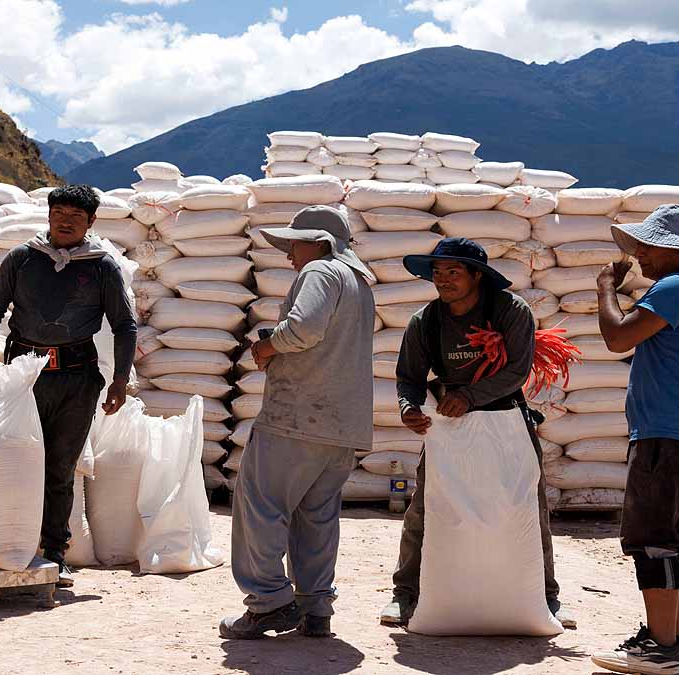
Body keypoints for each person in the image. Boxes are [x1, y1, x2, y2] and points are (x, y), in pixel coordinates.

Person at [378, 237, 573, 628]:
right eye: (437, 272)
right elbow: (409, 378)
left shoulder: (509, 311)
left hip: (506, 418)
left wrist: (470, 395)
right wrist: (408, 408)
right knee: (425, 504)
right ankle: (406, 592)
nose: (442, 280)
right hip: (450, 423)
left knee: (527, 505)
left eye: (453, 272)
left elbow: (517, 370)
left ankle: (546, 596)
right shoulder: (426, 321)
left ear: (477, 276)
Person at [220, 205, 376, 640]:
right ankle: (315, 608)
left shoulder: (321, 273)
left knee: (262, 508)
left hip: (297, 416)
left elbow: (304, 329)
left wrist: (269, 347)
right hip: (342, 424)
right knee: (317, 516)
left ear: (320, 243)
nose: (289, 252)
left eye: (295, 242)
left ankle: (268, 603)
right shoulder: (359, 283)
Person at [590, 204, 679, 675]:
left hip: (667, 437)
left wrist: (606, 290)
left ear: (672, 250)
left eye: (646, 247)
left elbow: (617, 337)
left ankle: (660, 647)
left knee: (653, 539)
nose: (639, 257)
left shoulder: (675, 288)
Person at [0, 184, 137, 587]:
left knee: (60, 467)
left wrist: (119, 380)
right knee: (15, 460)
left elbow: (124, 325)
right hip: (22, 376)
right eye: (59, 212)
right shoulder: (22, 260)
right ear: (47, 216)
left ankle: (54, 553)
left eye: (76, 216)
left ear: (91, 222)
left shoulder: (101, 267)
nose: (65, 221)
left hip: (77, 380)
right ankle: (8, 543)